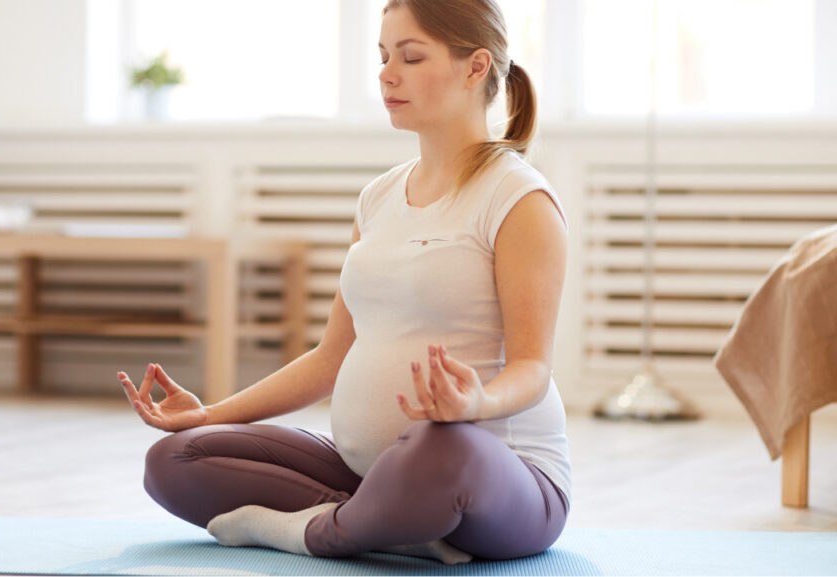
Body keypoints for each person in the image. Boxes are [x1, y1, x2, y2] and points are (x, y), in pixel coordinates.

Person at [117, 0, 570, 564]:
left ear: (476, 67)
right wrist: (209, 414)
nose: (386, 74)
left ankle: (315, 532)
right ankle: (393, 523)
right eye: (383, 56)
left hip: (497, 478)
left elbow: (533, 368)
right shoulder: (378, 197)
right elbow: (331, 357)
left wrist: (477, 402)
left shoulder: (519, 199)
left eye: (410, 56)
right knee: (175, 460)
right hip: (369, 471)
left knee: (438, 448)